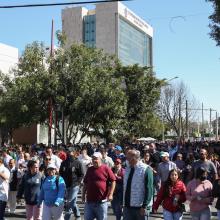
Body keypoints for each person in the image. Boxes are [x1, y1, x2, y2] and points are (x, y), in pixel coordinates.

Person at [82, 152, 116, 220]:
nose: (94, 160)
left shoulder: (106, 168)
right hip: (89, 202)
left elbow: (113, 181)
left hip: (101, 202)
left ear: (100, 159)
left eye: (96, 159)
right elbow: (85, 183)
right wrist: (83, 195)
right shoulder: (90, 169)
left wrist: (111, 194)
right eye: (93, 159)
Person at [123, 150, 154, 220]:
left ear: (134, 158)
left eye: (128, 158)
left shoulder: (146, 169)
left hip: (140, 208)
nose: (126, 159)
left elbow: (149, 189)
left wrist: (145, 206)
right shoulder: (127, 168)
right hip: (127, 207)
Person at [59, 147, 84, 220]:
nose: (69, 153)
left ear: (74, 152)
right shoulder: (63, 162)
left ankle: (67, 218)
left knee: (69, 202)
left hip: (75, 185)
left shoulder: (78, 162)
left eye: (70, 152)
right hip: (66, 185)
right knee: (72, 201)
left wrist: (78, 183)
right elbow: (61, 173)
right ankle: (77, 215)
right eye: (67, 152)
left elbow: (82, 174)